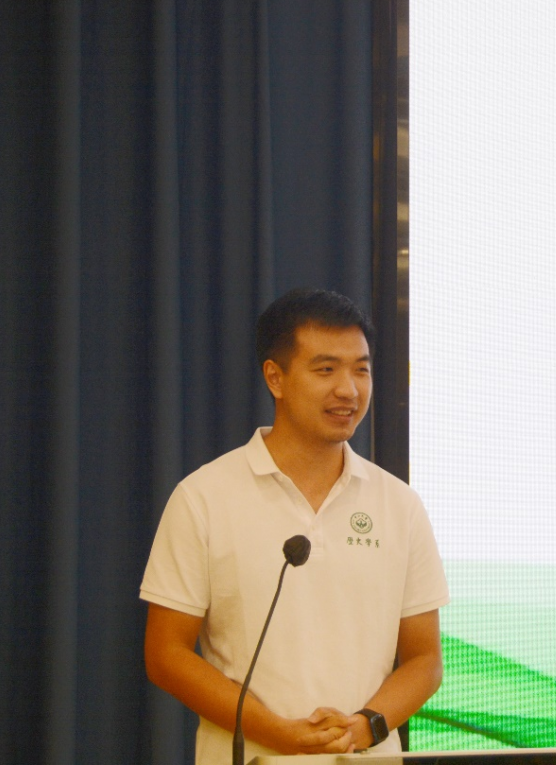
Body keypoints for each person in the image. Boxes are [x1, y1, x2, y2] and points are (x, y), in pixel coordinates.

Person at [140, 288, 448, 764]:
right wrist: (278, 733)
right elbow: (166, 654)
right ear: (275, 378)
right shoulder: (204, 497)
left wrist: (367, 725)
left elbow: (425, 660)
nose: (348, 390)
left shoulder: (399, 504)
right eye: (326, 370)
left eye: (361, 369)